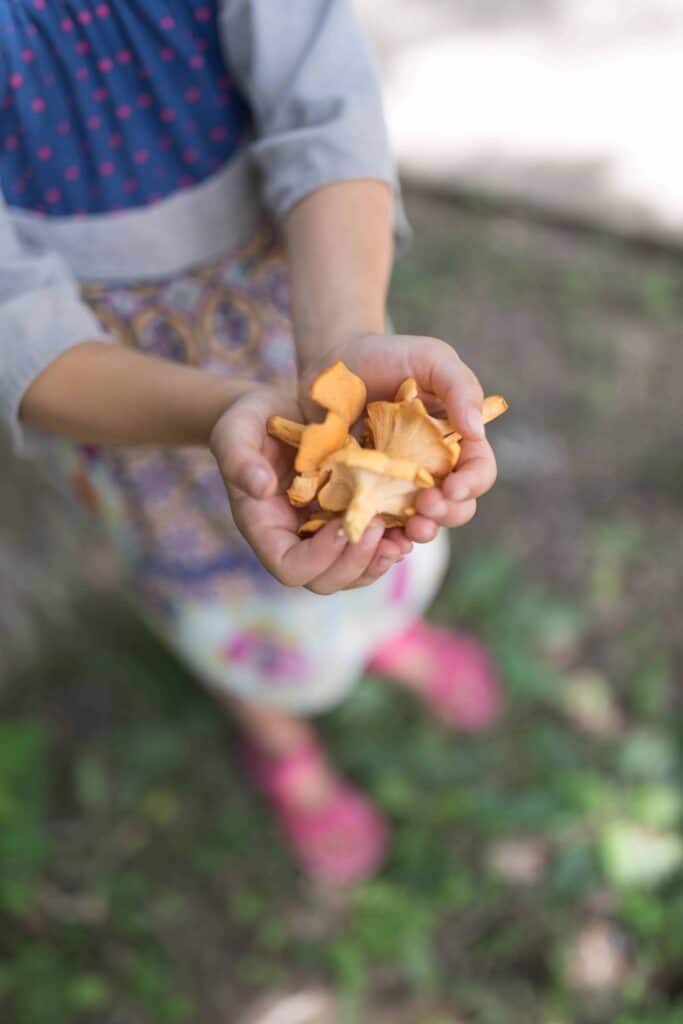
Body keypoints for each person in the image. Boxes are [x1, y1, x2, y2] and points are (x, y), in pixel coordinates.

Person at [1, 1, 501, 884]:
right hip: (138, 420)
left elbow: (325, 100)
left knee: (376, 548)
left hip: (299, 309)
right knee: (215, 593)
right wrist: (217, 414)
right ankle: (280, 739)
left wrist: (342, 347)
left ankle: (379, 637)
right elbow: (16, 331)